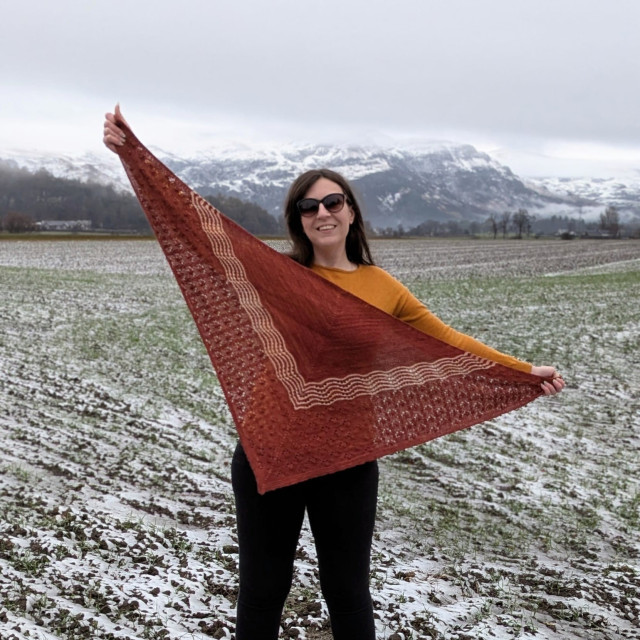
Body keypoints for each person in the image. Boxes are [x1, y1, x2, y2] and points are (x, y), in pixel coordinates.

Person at [103, 107, 565, 639]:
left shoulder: (382, 286)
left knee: (346, 592)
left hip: (347, 453)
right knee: (262, 590)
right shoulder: (276, 277)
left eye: (332, 202)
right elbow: (201, 232)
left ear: (350, 213)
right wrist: (133, 157)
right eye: (308, 206)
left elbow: (449, 342)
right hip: (270, 448)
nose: (322, 212)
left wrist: (523, 371)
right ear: (298, 219)